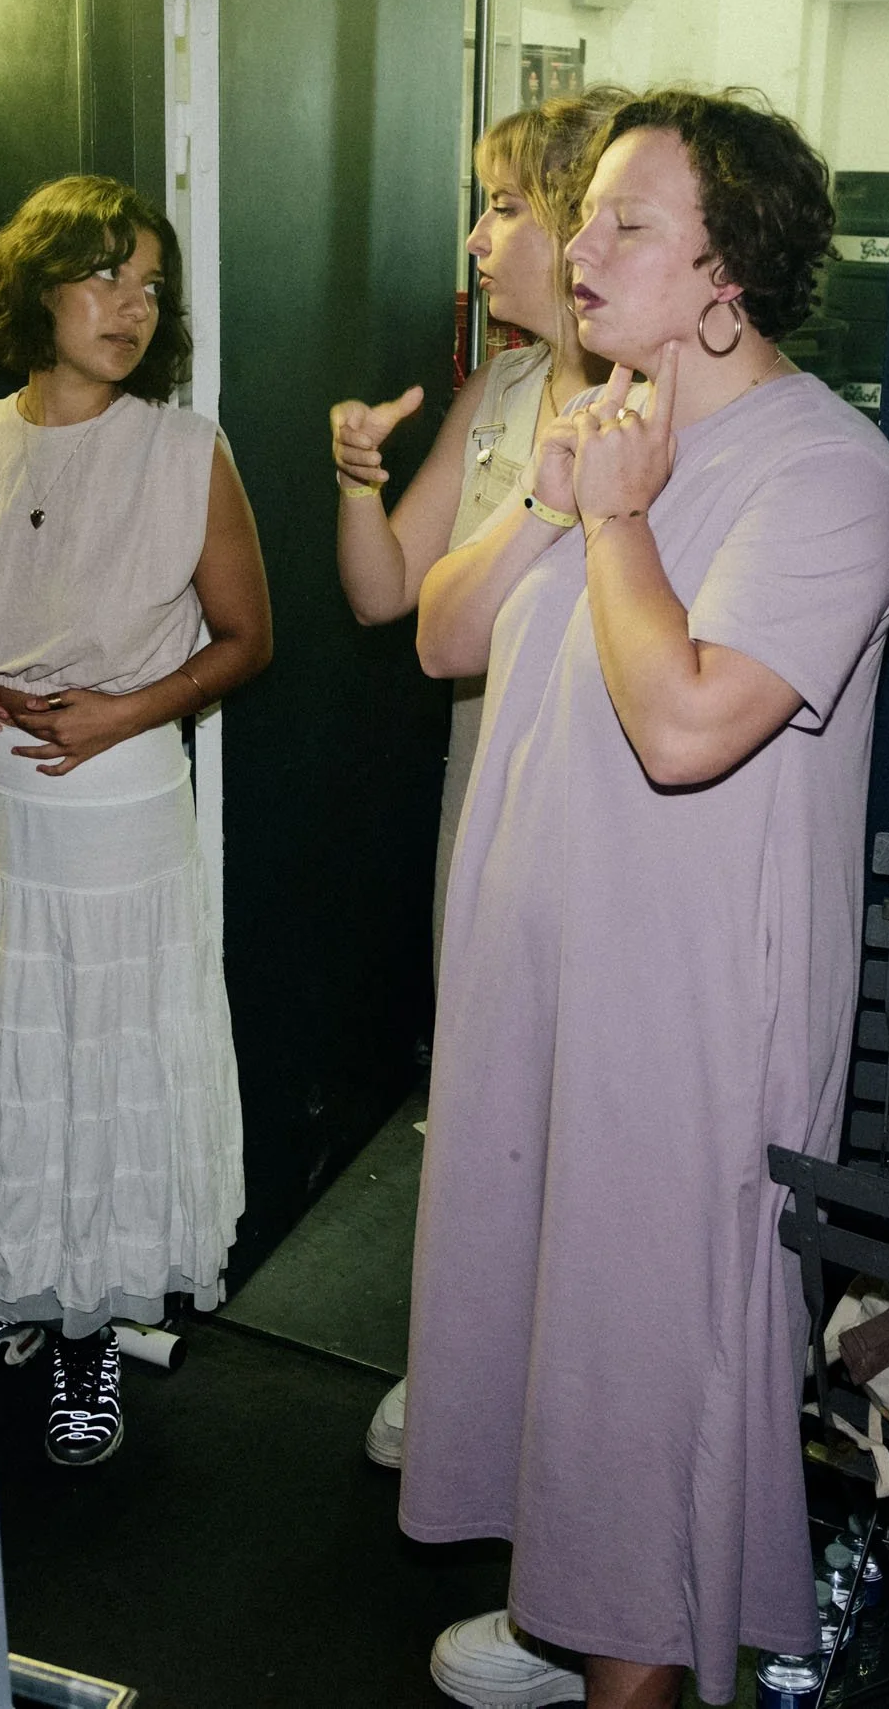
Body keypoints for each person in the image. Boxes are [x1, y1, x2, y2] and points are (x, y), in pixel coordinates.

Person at [403, 91, 889, 1708]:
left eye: (629, 219)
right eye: (590, 212)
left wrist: (615, 519)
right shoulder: (606, 425)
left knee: (653, 1354)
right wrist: (564, 494)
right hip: (545, 972)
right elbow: (438, 636)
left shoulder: (829, 475)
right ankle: (574, 1604)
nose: (582, 243)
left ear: (727, 278)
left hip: (688, 1008)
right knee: (546, 1307)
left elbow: (688, 722)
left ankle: (639, 1651)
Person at [0, 174, 272, 1466]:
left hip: (118, 810)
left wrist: (127, 711)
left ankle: (90, 1334)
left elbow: (249, 638)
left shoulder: (185, 450)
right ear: (37, 286)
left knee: (102, 1063)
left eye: (152, 285)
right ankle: (5, 1293)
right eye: (107, 276)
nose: (132, 307)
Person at [328, 87, 626, 1473]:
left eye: (506, 203)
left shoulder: (660, 399)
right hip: (482, 768)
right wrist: (353, 474)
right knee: (485, 1085)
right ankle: (465, 1367)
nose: (479, 235)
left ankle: (567, 1418)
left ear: (583, 219)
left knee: (594, 1111)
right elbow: (391, 592)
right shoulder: (501, 387)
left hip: (615, 786)